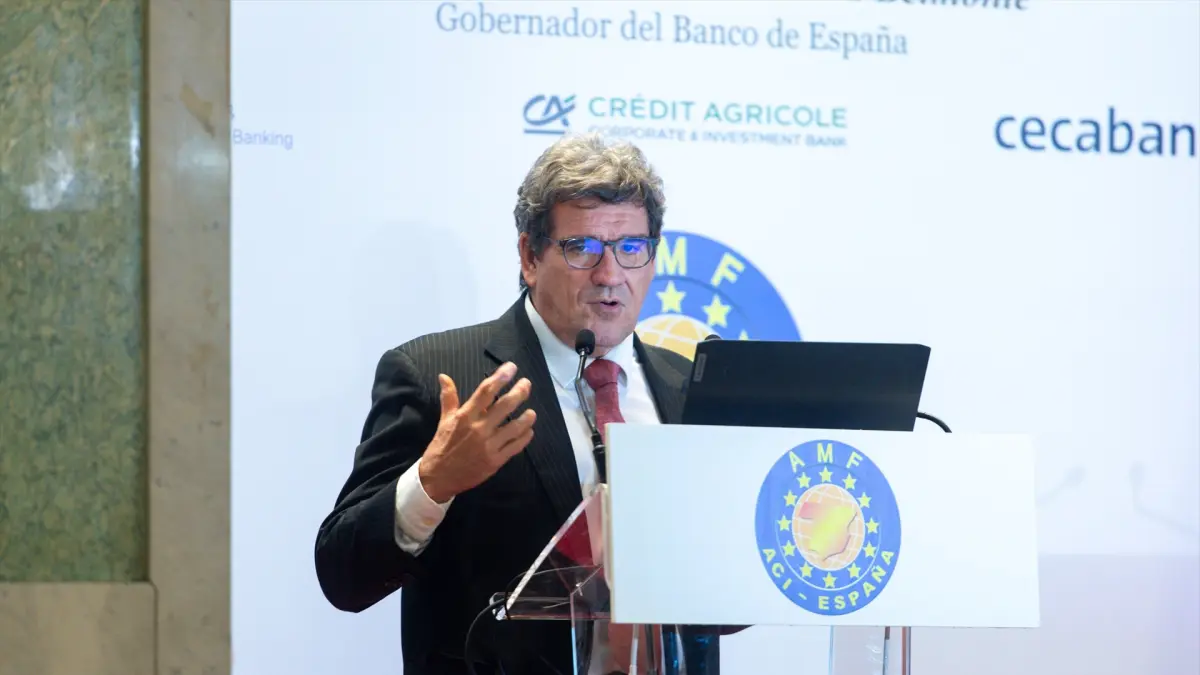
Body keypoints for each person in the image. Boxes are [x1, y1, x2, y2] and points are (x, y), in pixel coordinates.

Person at [314, 133, 708, 674]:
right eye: (582, 248)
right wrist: (433, 483)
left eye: (631, 248)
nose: (610, 274)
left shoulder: (690, 390)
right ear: (529, 256)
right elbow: (343, 574)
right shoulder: (440, 377)